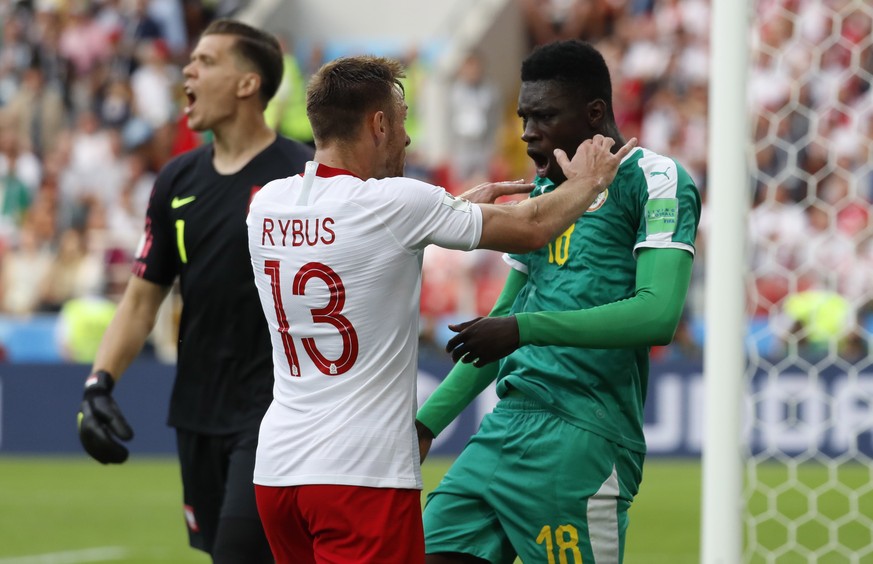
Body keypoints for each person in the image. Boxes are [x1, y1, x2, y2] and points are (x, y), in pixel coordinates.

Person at [245, 54, 636, 564]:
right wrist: (589, 183)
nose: (408, 140)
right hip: (359, 475)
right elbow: (533, 227)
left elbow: (363, 240)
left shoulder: (266, 204)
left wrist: (453, 208)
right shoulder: (396, 204)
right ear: (379, 125)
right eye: (404, 124)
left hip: (277, 472)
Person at [416, 39, 702, 564]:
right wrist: (425, 424)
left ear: (594, 112)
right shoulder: (544, 197)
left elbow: (658, 314)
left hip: (584, 436)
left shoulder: (656, 179)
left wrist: (525, 330)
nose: (528, 131)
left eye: (544, 115)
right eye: (524, 116)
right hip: (504, 427)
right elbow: (503, 319)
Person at [76, 19, 313, 563]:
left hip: (276, 410)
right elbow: (141, 299)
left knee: (238, 553)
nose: (188, 69)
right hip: (197, 410)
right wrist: (98, 384)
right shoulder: (176, 180)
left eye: (206, 61)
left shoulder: (303, 175)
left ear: (247, 84)